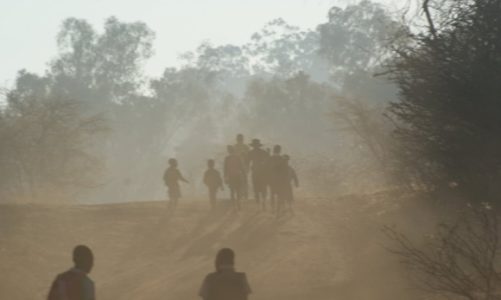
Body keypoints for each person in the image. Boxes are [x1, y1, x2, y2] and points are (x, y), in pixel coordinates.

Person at [248, 139, 269, 207]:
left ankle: (258, 202)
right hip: (263, 172)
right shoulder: (263, 152)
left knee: (256, 187)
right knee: (263, 187)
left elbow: (247, 161)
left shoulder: (251, 152)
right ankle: (263, 201)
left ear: (253, 145)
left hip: (255, 172)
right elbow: (268, 159)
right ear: (259, 145)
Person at [268, 145, 288, 216]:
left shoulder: (270, 158)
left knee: (272, 194)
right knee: (280, 195)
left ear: (274, 150)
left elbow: (266, 169)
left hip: (272, 179)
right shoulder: (282, 159)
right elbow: (285, 171)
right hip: (280, 180)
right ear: (280, 151)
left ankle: (272, 208)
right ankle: (279, 210)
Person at [224, 145, 245, 211]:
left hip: (231, 177)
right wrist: (244, 175)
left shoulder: (227, 158)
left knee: (232, 191)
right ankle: (238, 204)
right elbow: (241, 167)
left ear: (229, 151)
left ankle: (234, 205)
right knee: (238, 191)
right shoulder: (237, 157)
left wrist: (225, 177)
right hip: (237, 176)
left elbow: (225, 169)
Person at [234, 134, 250, 200]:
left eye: (241, 139)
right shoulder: (235, 147)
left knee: (245, 180)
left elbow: (249, 157)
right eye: (239, 139)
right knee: (238, 181)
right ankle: (239, 194)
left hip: (244, 166)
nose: (240, 140)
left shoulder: (246, 147)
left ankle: (245, 194)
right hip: (237, 166)